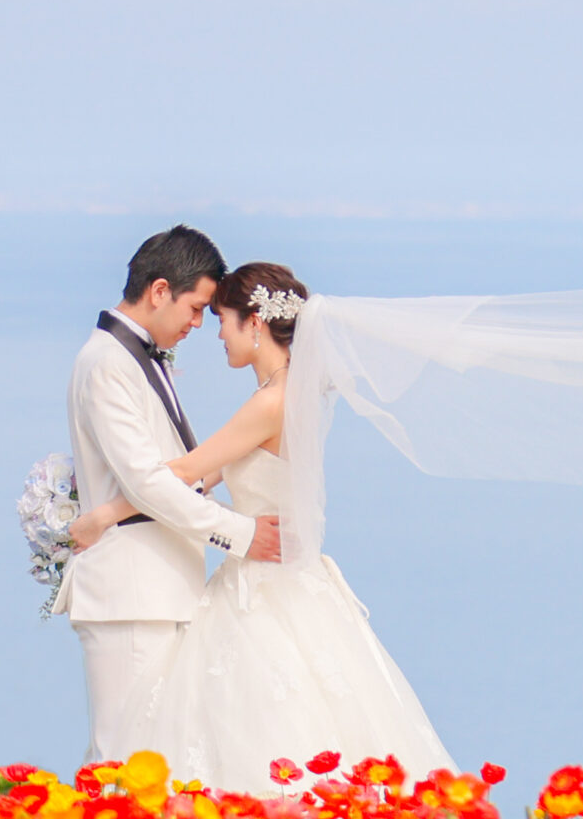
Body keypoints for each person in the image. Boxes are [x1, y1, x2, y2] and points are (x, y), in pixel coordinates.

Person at [70, 261, 454, 789]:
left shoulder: (268, 401)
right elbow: (206, 478)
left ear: (255, 325)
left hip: (260, 580)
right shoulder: (297, 393)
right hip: (294, 575)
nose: (217, 334)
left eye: (223, 319)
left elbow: (185, 471)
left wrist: (103, 514)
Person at [57, 226, 282, 765]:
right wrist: (242, 534)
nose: (198, 324)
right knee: (125, 763)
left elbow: (176, 474)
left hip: (161, 591)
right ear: (160, 290)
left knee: (157, 759)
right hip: (130, 596)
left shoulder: (139, 357)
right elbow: (149, 481)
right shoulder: (107, 363)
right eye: (197, 307)